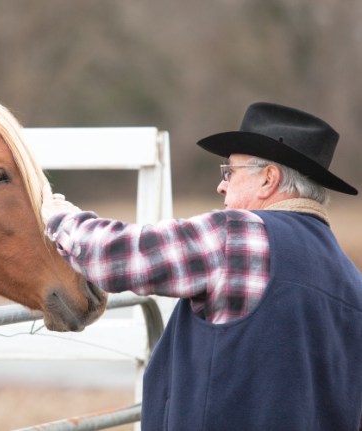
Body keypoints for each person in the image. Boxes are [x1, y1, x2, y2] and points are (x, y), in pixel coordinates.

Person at [41, 102, 362, 431]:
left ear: (269, 179)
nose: (221, 186)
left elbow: (119, 256)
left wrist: (60, 218)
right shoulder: (350, 279)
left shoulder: (237, 234)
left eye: (231, 172)